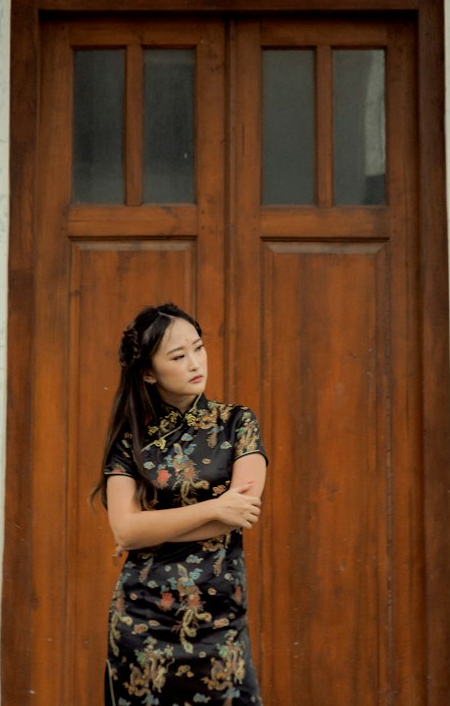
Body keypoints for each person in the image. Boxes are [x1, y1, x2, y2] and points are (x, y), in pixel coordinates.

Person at [94, 302, 267, 705]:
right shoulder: (129, 442)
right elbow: (125, 530)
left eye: (198, 348)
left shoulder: (237, 422)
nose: (195, 362)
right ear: (149, 372)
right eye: (178, 355)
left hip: (221, 619)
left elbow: (242, 510)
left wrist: (153, 525)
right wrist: (212, 507)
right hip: (143, 621)